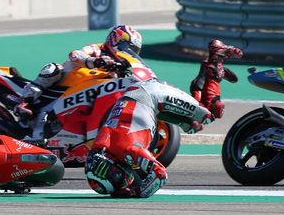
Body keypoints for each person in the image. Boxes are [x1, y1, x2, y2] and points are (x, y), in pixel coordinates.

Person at [85, 40, 243, 198]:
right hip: (146, 102)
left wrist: (137, 192)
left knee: (209, 113)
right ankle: (203, 78)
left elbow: (160, 174)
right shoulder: (101, 146)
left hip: (151, 95)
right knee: (193, 126)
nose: (123, 184)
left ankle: (216, 59)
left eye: (118, 181)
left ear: (114, 168)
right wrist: (117, 188)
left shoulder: (128, 151)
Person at [15, 24, 146, 120]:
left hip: (85, 97)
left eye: (133, 50)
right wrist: (94, 61)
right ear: (115, 39)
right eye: (126, 47)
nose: (128, 51)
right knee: (53, 68)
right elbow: (75, 54)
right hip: (66, 83)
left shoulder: (121, 69)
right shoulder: (97, 49)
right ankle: (25, 101)